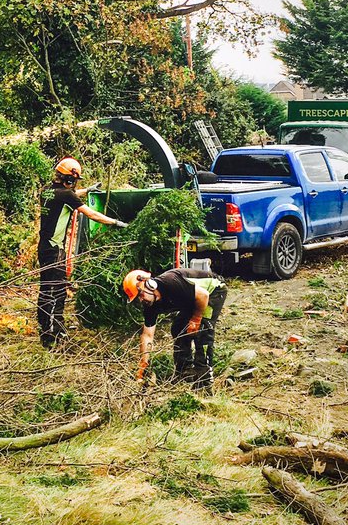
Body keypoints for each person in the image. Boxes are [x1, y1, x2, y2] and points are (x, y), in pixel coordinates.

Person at [38, 156, 127, 348]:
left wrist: (87, 190)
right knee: (56, 292)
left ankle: (48, 329)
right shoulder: (66, 195)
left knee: (46, 290)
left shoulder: (46, 192)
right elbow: (92, 214)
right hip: (55, 250)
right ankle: (52, 335)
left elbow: (66, 195)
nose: (74, 185)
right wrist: (116, 223)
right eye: (73, 182)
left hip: (44, 248)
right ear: (69, 180)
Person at [123, 266, 227, 390]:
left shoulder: (170, 282)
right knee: (178, 328)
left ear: (149, 284)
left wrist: (196, 319)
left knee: (202, 331)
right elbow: (147, 335)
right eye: (138, 298)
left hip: (213, 290)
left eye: (141, 294)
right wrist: (143, 366)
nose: (141, 299)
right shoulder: (150, 306)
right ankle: (184, 372)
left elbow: (203, 295)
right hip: (192, 299)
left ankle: (204, 381)